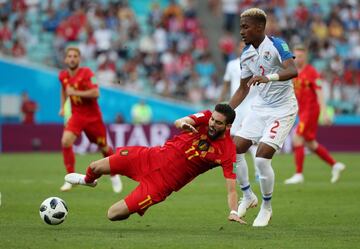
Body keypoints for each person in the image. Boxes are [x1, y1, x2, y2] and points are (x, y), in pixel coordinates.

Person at [64, 104, 246, 224]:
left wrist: (234, 212)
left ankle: (136, 204)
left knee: (113, 214)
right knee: (95, 167)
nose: (212, 123)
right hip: (149, 157)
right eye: (213, 119)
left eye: (218, 122)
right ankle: (88, 180)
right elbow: (180, 121)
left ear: (228, 126)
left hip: (161, 184)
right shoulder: (205, 117)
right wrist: (182, 124)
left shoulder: (228, 152)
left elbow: (231, 188)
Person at [229, 8, 298, 227]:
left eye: (246, 27)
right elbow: (242, 89)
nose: (241, 31)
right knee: (234, 149)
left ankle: (266, 207)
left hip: (283, 108)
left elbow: (293, 70)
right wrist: (223, 112)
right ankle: (248, 195)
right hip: (260, 108)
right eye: (241, 27)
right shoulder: (246, 54)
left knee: (261, 157)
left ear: (259, 27)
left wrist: (269, 77)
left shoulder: (277, 45)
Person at [58, 46, 122, 193]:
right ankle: (70, 177)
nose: (72, 58)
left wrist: (75, 92)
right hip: (77, 115)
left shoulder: (86, 73)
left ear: (79, 59)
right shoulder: (63, 76)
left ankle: (114, 173)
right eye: (70, 56)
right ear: (65, 59)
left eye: (75, 56)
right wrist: (62, 107)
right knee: (66, 141)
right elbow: (64, 90)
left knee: (104, 147)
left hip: (93, 117)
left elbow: (95, 92)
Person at [284, 45, 345, 184]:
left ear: (305, 57)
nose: (297, 59)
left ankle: (299, 174)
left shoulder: (311, 72)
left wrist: (324, 113)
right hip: (302, 111)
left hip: (311, 111)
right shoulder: (293, 72)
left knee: (297, 139)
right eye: (295, 56)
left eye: (300, 56)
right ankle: (335, 165)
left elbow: (319, 93)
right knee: (310, 144)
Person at [218, 40, 259, 180]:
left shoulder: (256, 63)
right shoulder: (231, 65)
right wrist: (219, 102)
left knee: (252, 140)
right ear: (237, 49)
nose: (243, 50)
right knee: (232, 139)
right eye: (241, 47)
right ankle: (234, 169)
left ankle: (258, 171)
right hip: (236, 106)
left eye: (245, 47)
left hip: (251, 106)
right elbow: (226, 84)